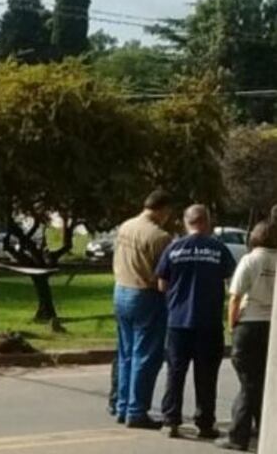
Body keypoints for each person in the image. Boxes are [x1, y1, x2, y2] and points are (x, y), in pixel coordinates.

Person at [155, 205, 236, 440]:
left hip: (178, 320)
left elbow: (161, 283)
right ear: (207, 222)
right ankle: (205, 423)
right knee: (207, 376)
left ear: (185, 222)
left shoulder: (174, 248)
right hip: (208, 321)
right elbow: (230, 280)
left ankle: (171, 421)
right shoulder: (218, 249)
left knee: (175, 372)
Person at [113, 189, 174, 429]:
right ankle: (137, 411)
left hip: (121, 290)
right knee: (145, 356)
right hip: (145, 294)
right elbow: (163, 276)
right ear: (164, 210)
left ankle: (122, 405)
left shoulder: (125, 226)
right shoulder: (160, 237)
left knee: (125, 353)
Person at [216, 221, 276, 451]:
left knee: (247, 383)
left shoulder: (251, 260)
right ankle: (265, 428)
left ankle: (238, 435)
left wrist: (232, 326)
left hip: (250, 323)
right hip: (271, 325)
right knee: (265, 381)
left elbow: (235, 297)